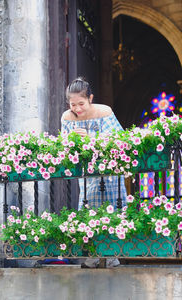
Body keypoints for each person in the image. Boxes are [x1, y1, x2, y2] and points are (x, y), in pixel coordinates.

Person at [61, 77, 127, 267]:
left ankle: (112, 255)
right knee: (88, 211)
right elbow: (64, 146)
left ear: (90, 98)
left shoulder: (104, 112)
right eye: (73, 104)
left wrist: (90, 137)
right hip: (87, 175)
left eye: (81, 103)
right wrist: (72, 140)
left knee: (112, 210)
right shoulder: (67, 117)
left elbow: (119, 140)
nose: (77, 109)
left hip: (110, 172)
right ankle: (93, 255)